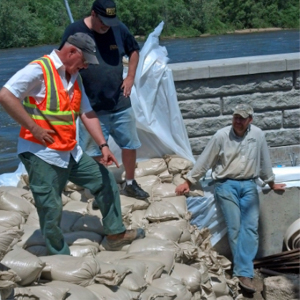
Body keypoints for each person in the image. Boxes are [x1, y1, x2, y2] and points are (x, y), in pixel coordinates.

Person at [0, 32, 145, 256]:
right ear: (71, 52)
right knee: (51, 207)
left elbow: (86, 112)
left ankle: (115, 234)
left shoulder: (73, 76)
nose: (85, 66)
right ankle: (60, 256)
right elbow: (6, 95)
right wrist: (34, 128)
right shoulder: (39, 69)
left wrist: (103, 145)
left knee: (105, 180)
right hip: (42, 154)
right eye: (84, 61)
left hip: (70, 152)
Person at [175, 103, 286, 293]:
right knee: (234, 227)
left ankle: (242, 272)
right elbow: (205, 160)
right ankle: (245, 273)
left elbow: (264, 160)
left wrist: (271, 183)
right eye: (236, 117)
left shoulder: (257, 135)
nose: (238, 121)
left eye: (242, 118)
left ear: (250, 120)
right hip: (226, 185)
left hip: (250, 184)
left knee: (250, 228)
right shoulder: (221, 136)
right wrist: (189, 181)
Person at [60, 0, 149, 200]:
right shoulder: (75, 30)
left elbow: (134, 50)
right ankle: (99, 190)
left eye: (110, 21)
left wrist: (130, 77)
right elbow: (63, 60)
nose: (106, 26)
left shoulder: (118, 28)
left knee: (130, 144)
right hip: (90, 106)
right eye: (103, 21)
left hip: (119, 101)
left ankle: (130, 183)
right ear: (93, 14)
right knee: (94, 151)